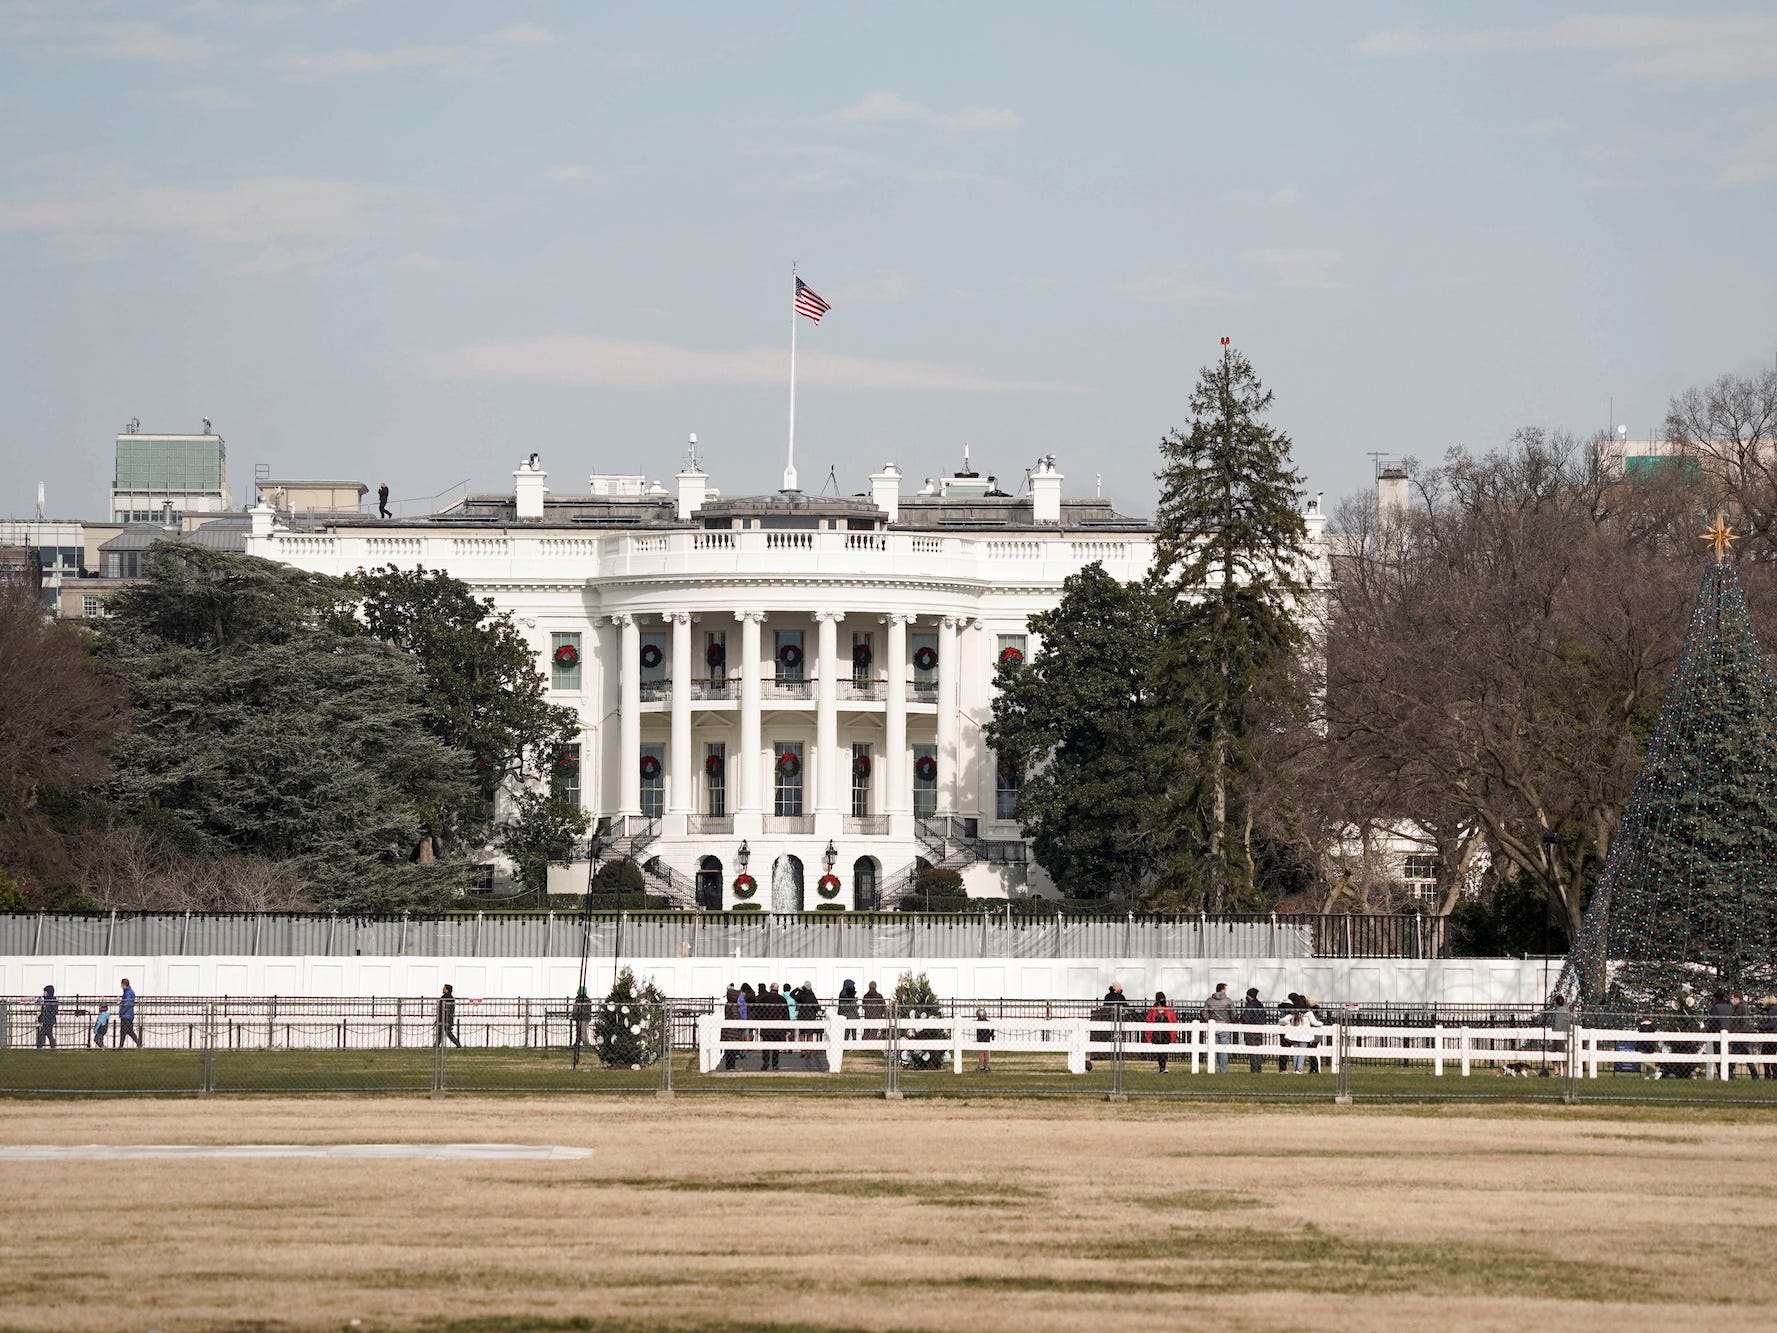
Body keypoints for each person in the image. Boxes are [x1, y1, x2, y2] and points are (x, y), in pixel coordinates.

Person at [1285, 994, 1325, 1073]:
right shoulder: (1308, 1013)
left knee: (1296, 1052)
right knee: (1302, 1053)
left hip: (1294, 1035)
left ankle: (1295, 1068)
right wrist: (1321, 1023)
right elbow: (1315, 1023)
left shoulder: (1293, 1013)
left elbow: (1285, 1020)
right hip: (1304, 1036)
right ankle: (1299, 1069)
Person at [1204, 983, 1235, 1074]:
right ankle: (1223, 1070)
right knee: (1223, 1050)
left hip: (1213, 1026)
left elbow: (1204, 1013)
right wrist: (1230, 1020)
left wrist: (1209, 1021)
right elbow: (1233, 1013)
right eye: (1225, 989)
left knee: (1212, 1049)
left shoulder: (1209, 1001)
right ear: (1222, 990)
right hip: (1224, 1025)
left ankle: (1212, 1069)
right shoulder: (1228, 1001)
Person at [1144, 991, 1178, 1074]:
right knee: (1159, 1051)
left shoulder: (1168, 1010)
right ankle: (1161, 1067)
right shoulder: (1152, 1010)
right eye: (1161, 1000)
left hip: (1166, 1033)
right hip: (1156, 1033)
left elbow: (1174, 1021)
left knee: (1164, 1051)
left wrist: (1173, 1034)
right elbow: (1148, 1021)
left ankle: (1163, 1067)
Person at [1242, 987, 1266, 1074]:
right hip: (1259, 1030)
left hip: (1250, 1030)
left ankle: (1254, 1069)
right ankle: (1259, 1068)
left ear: (1248, 996)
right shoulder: (1260, 1005)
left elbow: (1246, 1018)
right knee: (1258, 1050)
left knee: (1251, 1051)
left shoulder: (1249, 1005)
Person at [570, 986, 593, 1068]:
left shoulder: (579, 1000)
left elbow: (576, 1008)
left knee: (581, 1031)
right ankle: (581, 1042)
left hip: (581, 1017)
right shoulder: (588, 1000)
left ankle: (585, 1043)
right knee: (582, 1030)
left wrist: (574, 1015)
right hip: (585, 1017)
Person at [434, 983, 461, 1048]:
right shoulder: (450, 998)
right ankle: (436, 1045)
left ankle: (458, 1044)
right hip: (445, 1018)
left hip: (445, 1019)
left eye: (444, 988)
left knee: (447, 1033)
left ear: (447, 990)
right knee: (442, 1033)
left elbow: (444, 1010)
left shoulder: (446, 998)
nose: (442, 989)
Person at [118, 978, 142, 1048]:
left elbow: (127, 1003)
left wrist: (121, 1011)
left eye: (121, 985)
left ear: (124, 984)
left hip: (126, 1015)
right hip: (129, 1014)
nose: (121, 986)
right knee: (129, 1031)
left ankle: (121, 1046)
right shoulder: (129, 991)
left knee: (123, 1031)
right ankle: (138, 1043)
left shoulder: (127, 992)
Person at [975, 1007, 994, 1072]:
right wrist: (991, 1034)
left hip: (981, 1039)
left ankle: (981, 1066)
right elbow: (991, 1030)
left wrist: (978, 1038)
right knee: (986, 1052)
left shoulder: (977, 1022)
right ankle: (986, 1066)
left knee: (981, 1052)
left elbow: (978, 1033)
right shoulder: (987, 1022)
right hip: (987, 1039)